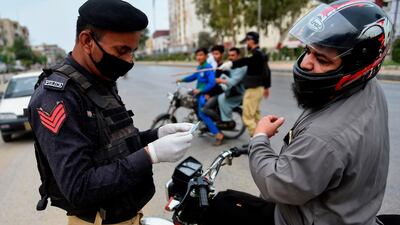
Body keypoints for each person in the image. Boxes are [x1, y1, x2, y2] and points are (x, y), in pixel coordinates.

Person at [28, 0, 194, 224]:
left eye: (132, 51)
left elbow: (112, 145)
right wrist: (150, 154)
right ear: (87, 41)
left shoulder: (98, 79)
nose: (129, 60)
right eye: (122, 50)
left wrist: (156, 136)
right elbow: (78, 187)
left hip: (127, 213)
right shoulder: (57, 97)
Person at [248, 1, 393, 225]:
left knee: (222, 205)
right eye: (308, 50)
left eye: (322, 59)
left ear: (356, 67)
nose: (306, 63)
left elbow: (278, 186)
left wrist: (259, 139)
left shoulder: (324, 137)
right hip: (353, 211)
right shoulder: (370, 88)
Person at [219, 31, 271, 137]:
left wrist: (231, 64)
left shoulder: (255, 53)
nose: (246, 43)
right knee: (256, 116)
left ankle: (256, 141)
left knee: (247, 117)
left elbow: (245, 61)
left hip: (253, 89)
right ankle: (262, 138)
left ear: (251, 40)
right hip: (258, 89)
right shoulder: (260, 53)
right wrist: (266, 87)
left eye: (247, 41)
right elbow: (267, 71)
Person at [176, 48, 224, 145]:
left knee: (202, 113)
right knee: (194, 108)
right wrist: (182, 80)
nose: (199, 57)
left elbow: (212, 82)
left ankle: (218, 134)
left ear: (206, 56)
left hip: (204, 94)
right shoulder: (200, 67)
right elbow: (194, 76)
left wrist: (201, 90)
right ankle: (204, 127)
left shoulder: (208, 67)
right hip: (198, 93)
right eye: (197, 55)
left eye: (201, 55)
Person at [216, 47, 247, 129]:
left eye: (233, 55)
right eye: (229, 55)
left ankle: (227, 121)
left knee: (221, 99)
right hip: (232, 90)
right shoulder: (231, 65)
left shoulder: (242, 67)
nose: (230, 57)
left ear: (238, 56)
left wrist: (220, 80)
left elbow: (233, 82)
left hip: (239, 93)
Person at [202, 45, 228, 124]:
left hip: (220, 93)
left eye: (217, 54)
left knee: (205, 109)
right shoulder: (214, 66)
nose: (215, 56)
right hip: (214, 91)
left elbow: (220, 85)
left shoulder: (223, 67)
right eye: (213, 54)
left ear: (222, 54)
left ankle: (220, 120)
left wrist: (209, 93)